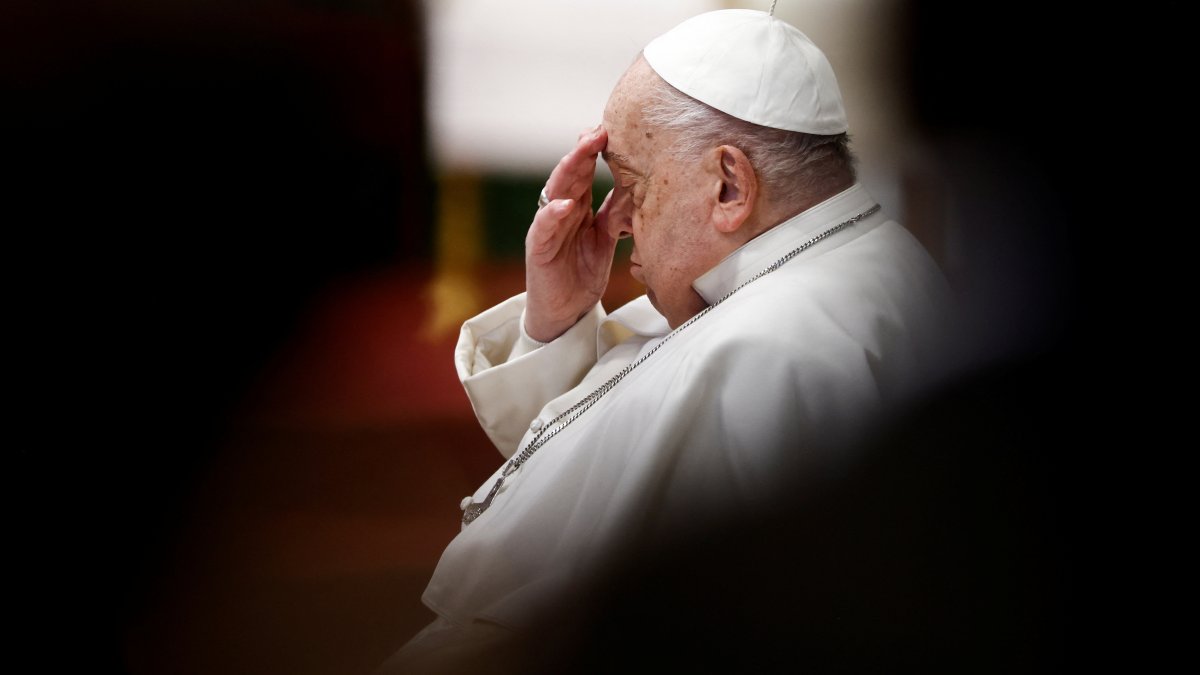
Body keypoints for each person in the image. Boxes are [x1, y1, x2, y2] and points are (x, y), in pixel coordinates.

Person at [379, 8, 955, 673]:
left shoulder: (766, 353)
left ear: (729, 185)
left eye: (629, 186)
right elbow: (622, 466)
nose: (617, 222)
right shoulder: (836, 264)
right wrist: (562, 320)